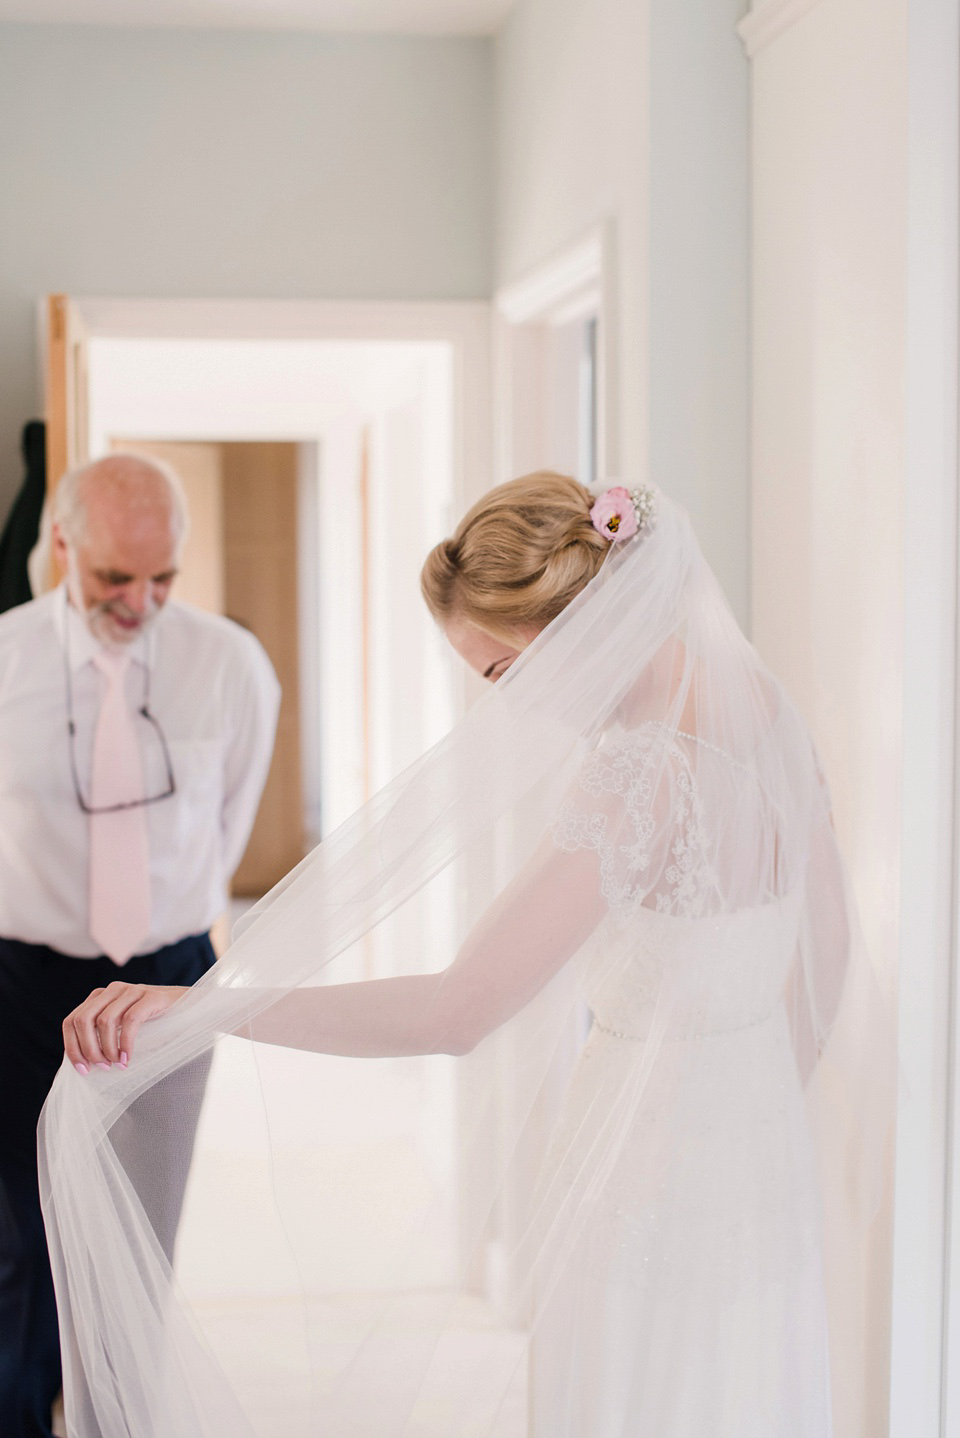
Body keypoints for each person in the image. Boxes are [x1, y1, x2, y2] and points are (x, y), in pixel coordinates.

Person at [53, 473, 890, 1437]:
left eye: (501, 671)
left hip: (648, 1164)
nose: (509, 704)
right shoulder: (764, 706)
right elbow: (825, 951)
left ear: (577, 627)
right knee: (737, 1387)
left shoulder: (639, 772)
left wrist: (205, 1008)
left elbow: (455, 1012)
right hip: (758, 1148)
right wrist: (746, 1114)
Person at [0, 453, 280, 1438]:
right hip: (20, 979)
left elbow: (229, 821)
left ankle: (113, 1417)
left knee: (136, 1231)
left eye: (163, 578)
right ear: (64, 543)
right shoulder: (4, 660)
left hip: (165, 977)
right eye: (117, 577)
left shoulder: (230, 665)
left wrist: (178, 938)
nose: (142, 599)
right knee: (17, 1236)